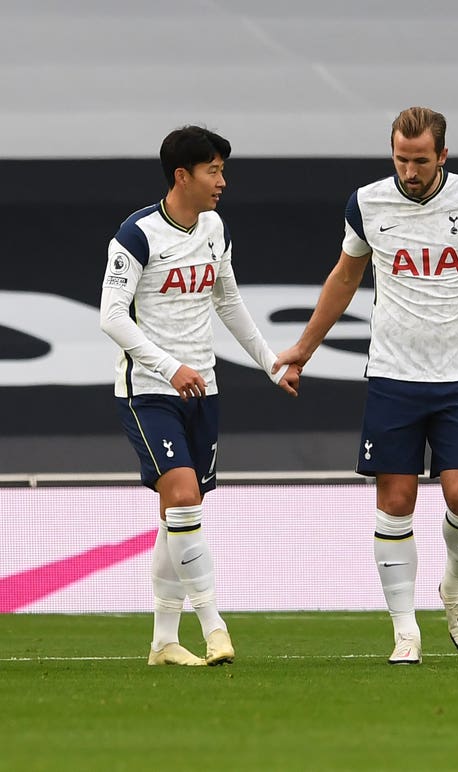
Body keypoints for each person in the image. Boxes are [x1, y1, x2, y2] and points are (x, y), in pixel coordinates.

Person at [273, 106, 458, 664]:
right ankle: (404, 631)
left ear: (442, 155)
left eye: (420, 160)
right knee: (395, 504)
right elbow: (344, 277)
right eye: (401, 158)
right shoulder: (368, 203)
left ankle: (454, 589)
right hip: (393, 377)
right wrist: (302, 349)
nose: (410, 170)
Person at [100, 125, 300, 666]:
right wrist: (169, 367)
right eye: (213, 170)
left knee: (177, 515)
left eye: (223, 170)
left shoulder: (214, 228)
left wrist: (269, 364)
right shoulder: (137, 235)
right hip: (149, 391)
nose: (222, 181)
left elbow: (228, 300)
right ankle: (215, 627)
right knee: (184, 497)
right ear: (181, 176)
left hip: (203, 390)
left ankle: (164, 641)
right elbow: (112, 317)